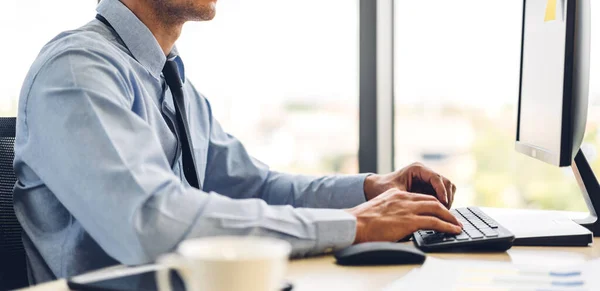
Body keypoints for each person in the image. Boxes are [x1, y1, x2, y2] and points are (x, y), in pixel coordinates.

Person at [14, 0, 462, 284]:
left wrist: (369, 191)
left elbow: (257, 187)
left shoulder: (175, 86)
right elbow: (153, 222)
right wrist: (355, 225)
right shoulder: (77, 72)